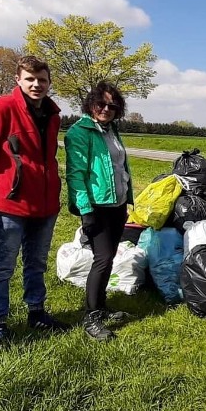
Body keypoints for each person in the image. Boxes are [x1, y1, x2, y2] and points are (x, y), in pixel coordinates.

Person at [0, 55, 66, 344]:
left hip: (46, 204)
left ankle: (36, 312)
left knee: (36, 263)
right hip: (11, 203)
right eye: (30, 79)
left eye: (42, 80)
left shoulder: (53, 114)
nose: (37, 85)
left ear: (49, 83)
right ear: (18, 80)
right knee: (3, 265)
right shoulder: (1, 108)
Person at [65, 82, 134, 341]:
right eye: (101, 104)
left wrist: (127, 199)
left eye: (112, 106)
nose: (106, 109)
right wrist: (86, 211)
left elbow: (119, 167)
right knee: (102, 259)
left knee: (109, 258)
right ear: (91, 104)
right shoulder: (79, 133)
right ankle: (91, 318)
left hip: (117, 204)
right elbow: (76, 174)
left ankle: (102, 307)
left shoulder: (111, 130)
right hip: (97, 206)